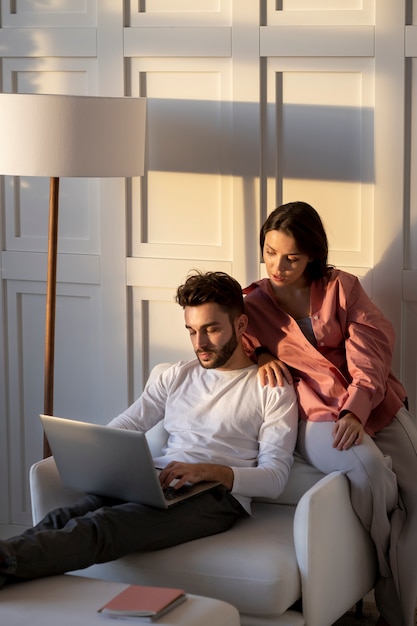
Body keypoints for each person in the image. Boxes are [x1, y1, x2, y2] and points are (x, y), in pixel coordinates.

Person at [0, 270, 298, 586]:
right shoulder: (176, 375)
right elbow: (130, 422)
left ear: (240, 325)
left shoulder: (271, 388)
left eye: (211, 329)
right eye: (192, 331)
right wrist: (98, 448)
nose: (200, 343)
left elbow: (275, 478)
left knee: (103, 527)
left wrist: (209, 471)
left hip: (216, 498)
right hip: (157, 479)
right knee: (62, 518)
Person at [242, 201, 417, 626]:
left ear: (313, 256)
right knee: (375, 475)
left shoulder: (343, 287)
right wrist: (261, 352)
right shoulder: (250, 301)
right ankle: (395, 604)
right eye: (269, 252)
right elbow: (224, 338)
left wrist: (357, 409)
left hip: (374, 402)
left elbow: (372, 353)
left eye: (292, 257)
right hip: (315, 415)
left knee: (416, 490)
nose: (277, 266)